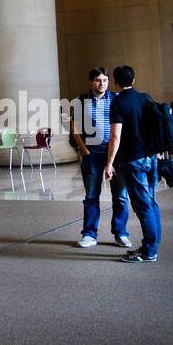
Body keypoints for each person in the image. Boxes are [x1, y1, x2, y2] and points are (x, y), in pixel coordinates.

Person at [70, 67, 131, 249]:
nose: (102, 83)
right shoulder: (81, 101)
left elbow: (125, 126)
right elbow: (75, 129)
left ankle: (120, 233)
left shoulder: (116, 99)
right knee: (91, 196)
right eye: (98, 80)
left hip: (115, 154)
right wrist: (84, 150)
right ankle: (89, 234)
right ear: (91, 82)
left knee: (120, 196)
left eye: (105, 80)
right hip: (92, 154)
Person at [106, 65, 161, 264]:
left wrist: (109, 162)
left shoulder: (118, 103)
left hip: (132, 160)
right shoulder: (145, 98)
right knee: (152, 202)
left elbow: (115, 135)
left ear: (115, 82)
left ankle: (149, 251)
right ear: (134, 80)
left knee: (143, 206)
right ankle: (152, 245)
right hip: (150, 157)